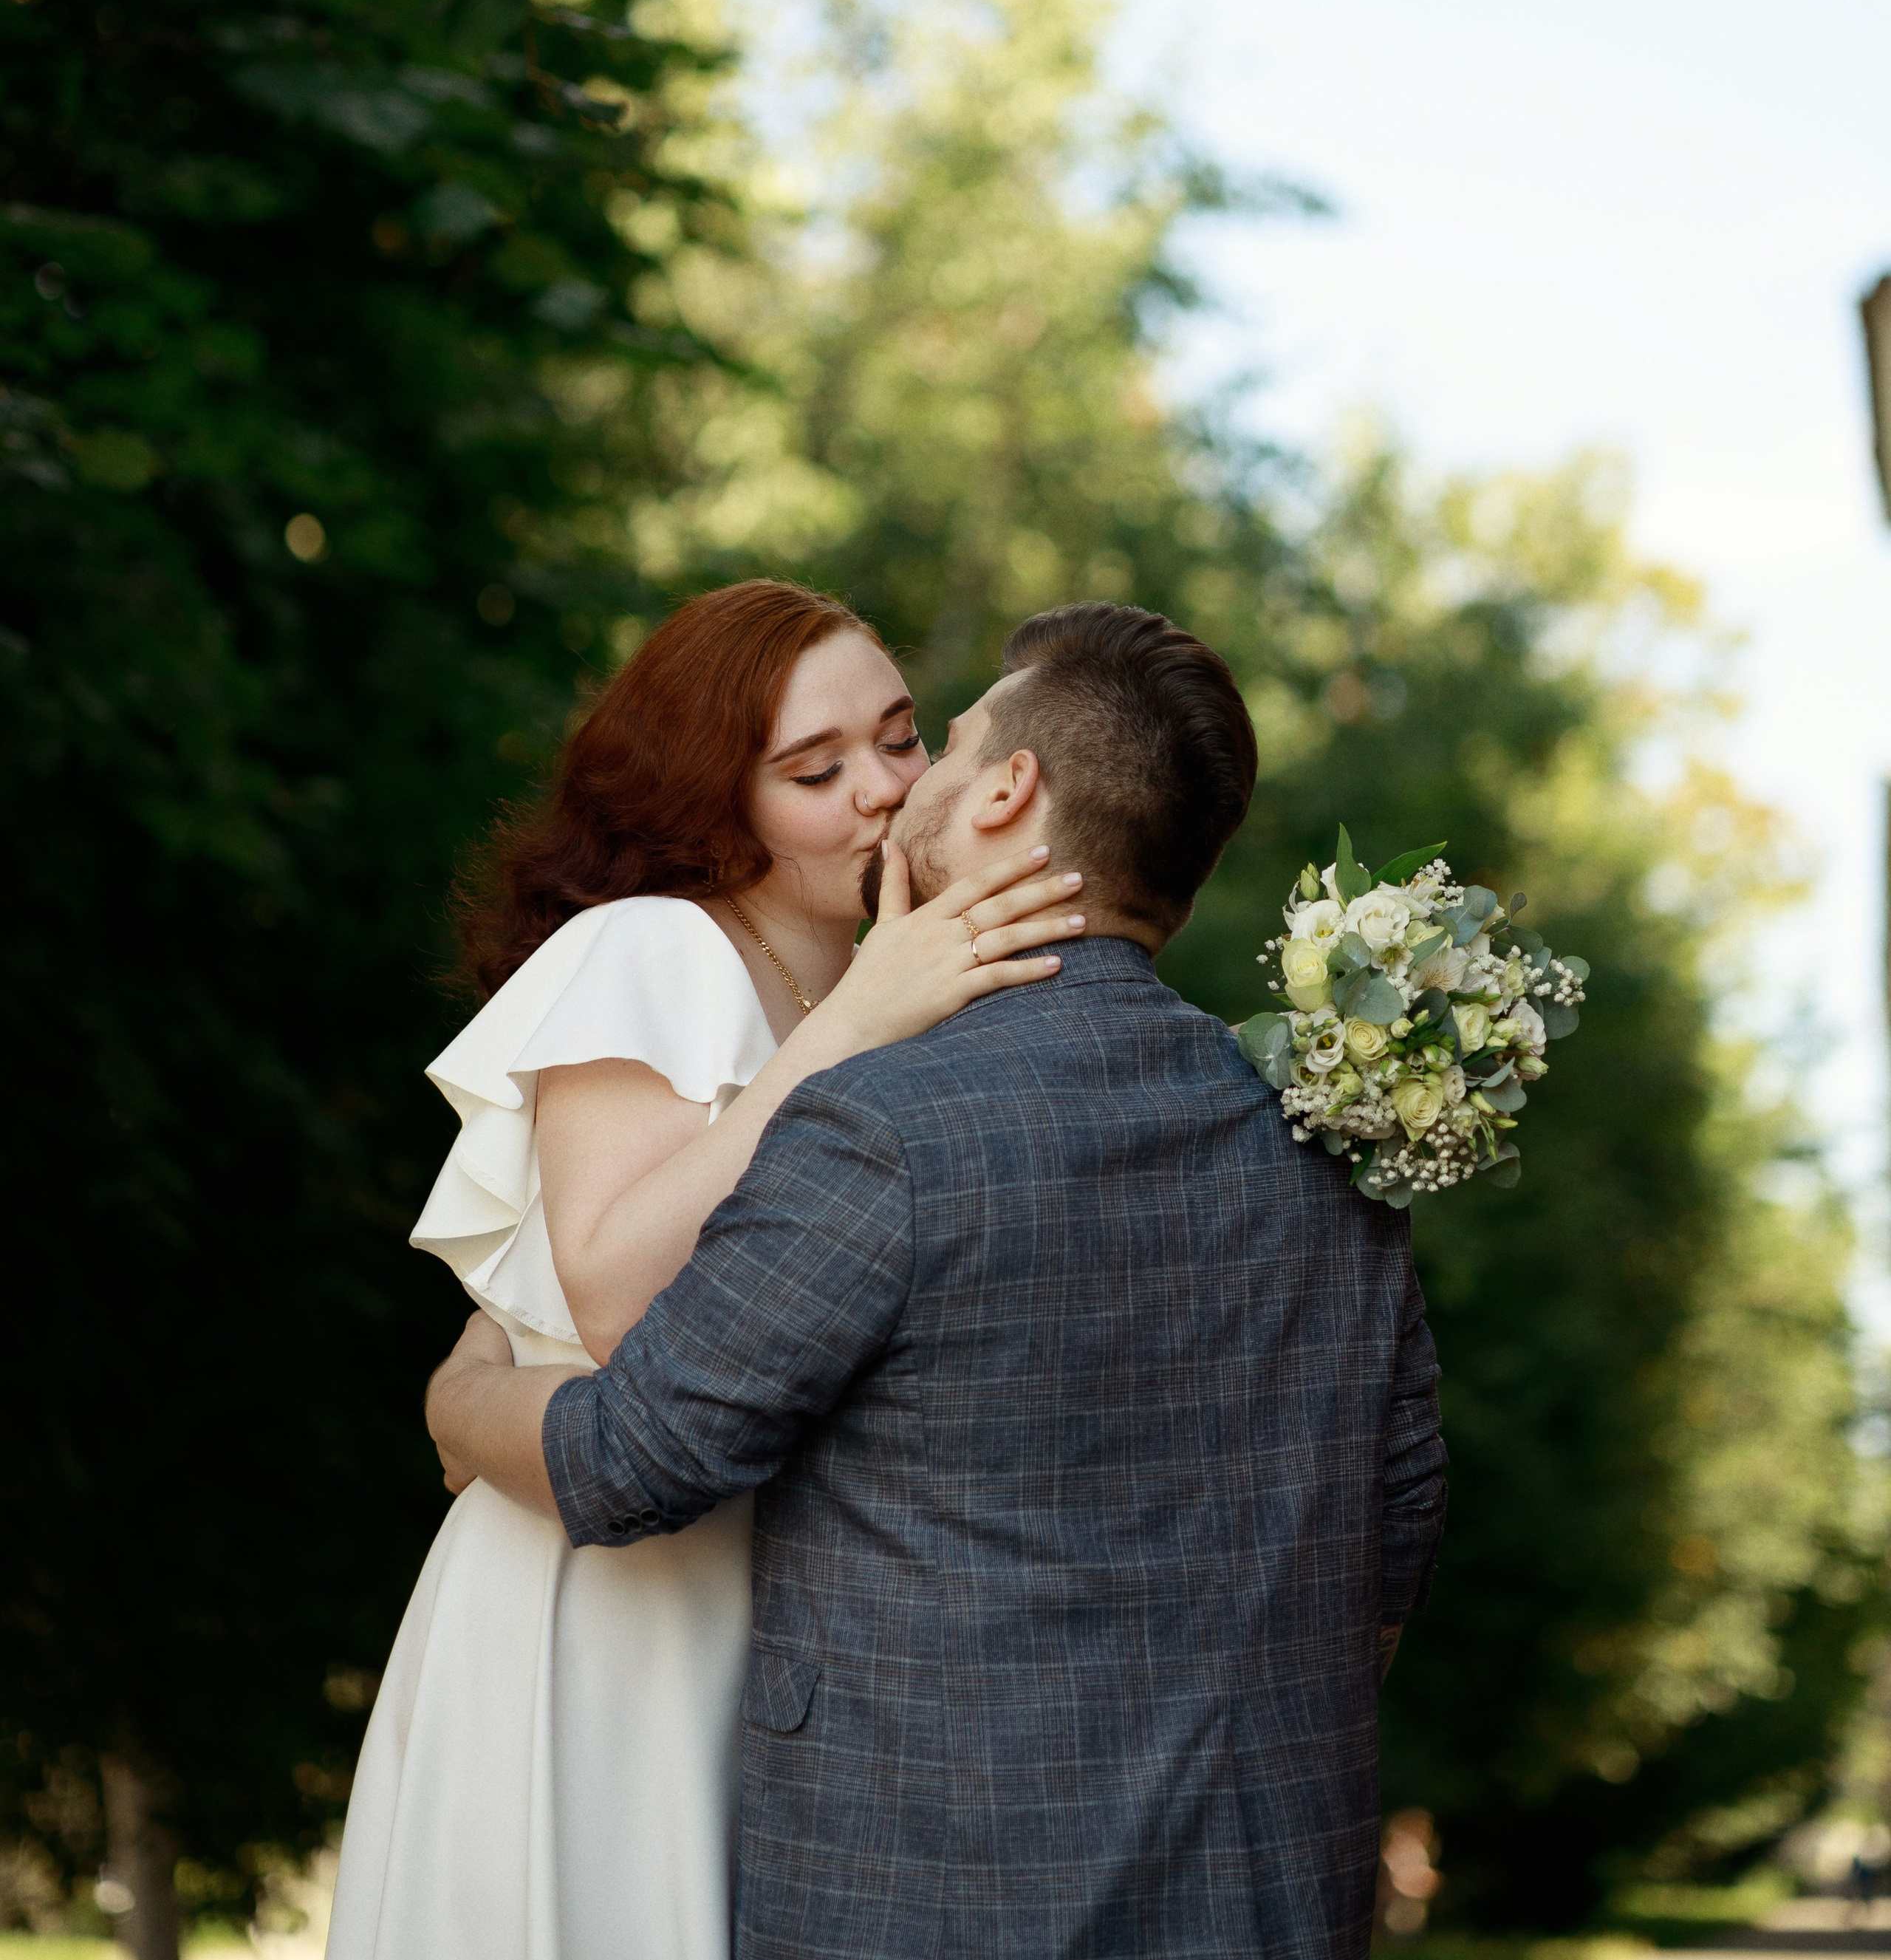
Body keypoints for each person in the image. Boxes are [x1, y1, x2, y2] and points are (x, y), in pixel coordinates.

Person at [429, 599, 1449, 1960]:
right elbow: (1398, 1531)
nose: (903, 781)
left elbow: (633, 1453)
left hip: (931, 1897)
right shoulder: (1326, 1143)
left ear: (1009, 789)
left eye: (937, 739)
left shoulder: (888, 1123)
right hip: (1269, 1895)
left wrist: (462, 1389)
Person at [326, 581, 1083, 1960]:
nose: (880, 790)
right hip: (604, 1594)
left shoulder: (880, 990)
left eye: (902, 738)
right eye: (816, 768)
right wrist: (861, 1017)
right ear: (712, 800)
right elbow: (620, 1301)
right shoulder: (650, 947)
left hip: (787, 1604)